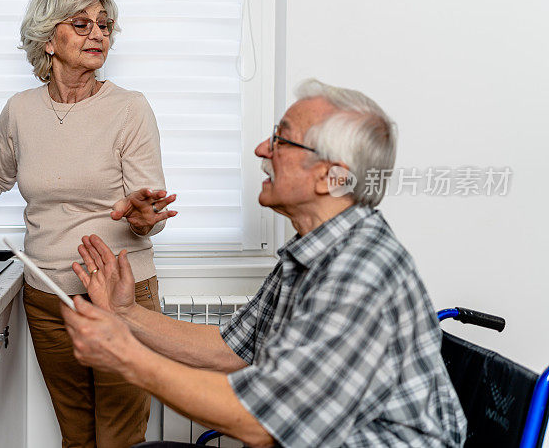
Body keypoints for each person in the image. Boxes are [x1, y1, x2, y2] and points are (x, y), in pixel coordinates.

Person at [60, 79, 467, 447]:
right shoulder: (311, 249)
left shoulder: (361, 270)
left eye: (282, 140)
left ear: (332, 177)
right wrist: (124, 313)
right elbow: (229, 349)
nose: (261, 150)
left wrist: (126, 356)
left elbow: (261, 422)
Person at [0, 0, 177, 448]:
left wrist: (142, 216)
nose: (99, 35)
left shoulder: (129, 109)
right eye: (82, 24)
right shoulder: (20, 110)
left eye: (105, 26)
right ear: (48, 40)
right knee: (75, 434)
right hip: (47, 295)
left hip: (118, 292)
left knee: (119, 438)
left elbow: (144, 206)